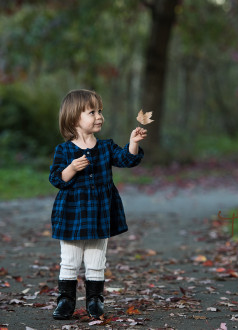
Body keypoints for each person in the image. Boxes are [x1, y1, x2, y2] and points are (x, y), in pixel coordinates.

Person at [49, 89, 147, 320]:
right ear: (74, 119)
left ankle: (95, 300)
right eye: (92, 112)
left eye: (100, 111)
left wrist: (132, 143)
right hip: (72, 213)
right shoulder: (64, 150)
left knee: (96, 260)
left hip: (100, 213)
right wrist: (71, 168)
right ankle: (66, 301)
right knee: (70, 260)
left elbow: (126, 159)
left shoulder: (105, 147)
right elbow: (56, 179)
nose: (99, 116)